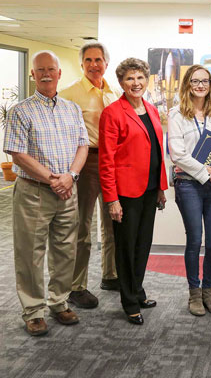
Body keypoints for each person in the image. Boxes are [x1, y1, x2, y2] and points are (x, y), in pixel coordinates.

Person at [3, 50, 88, 336]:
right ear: (33, 74)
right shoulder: (20, 111)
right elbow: (17, 153)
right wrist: (54, 179)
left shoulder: (71, 109)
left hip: (68, 189)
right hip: (34, 192)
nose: (46, 74)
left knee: (65, 250)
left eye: (51, 69)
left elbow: (82, 146)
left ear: (60, 73)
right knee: (30, 253)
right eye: (40, 70)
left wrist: (71, 176)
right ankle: (33, 310)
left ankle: (59, 301)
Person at [98, 58, 168, 325]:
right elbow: (106, 160)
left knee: (143, 245)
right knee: (126, 249)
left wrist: (161, 188)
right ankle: (129, 301)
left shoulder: (150, 108)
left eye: (140, 77)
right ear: (121, 83)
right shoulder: (113, 113)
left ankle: (138, 291)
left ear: (146, 79)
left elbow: (157, 153)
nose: (136, 83)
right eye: (130, 78)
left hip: (150, 190)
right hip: (126, 193)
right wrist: (112, 199)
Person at [60, 41, 121, 310]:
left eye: (98, 60)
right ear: (81, 64)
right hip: (86, 163)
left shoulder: (115, 92)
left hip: (113, 164)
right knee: (82, 227)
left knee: (112, 222)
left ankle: (110, 275)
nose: (94, 65)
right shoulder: (69, 94)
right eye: (88, 60)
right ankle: (76, 286)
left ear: (106, 63)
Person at [168, 65, 211, 316]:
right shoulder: (176, 114)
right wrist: (207, 174)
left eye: (205, 81)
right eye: (195, 81)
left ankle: (209, 291)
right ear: (187, 84)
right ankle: (194, 294)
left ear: (210, 85)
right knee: (195, 241)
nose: (200, 85)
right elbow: (178, 154)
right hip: (189, 184)